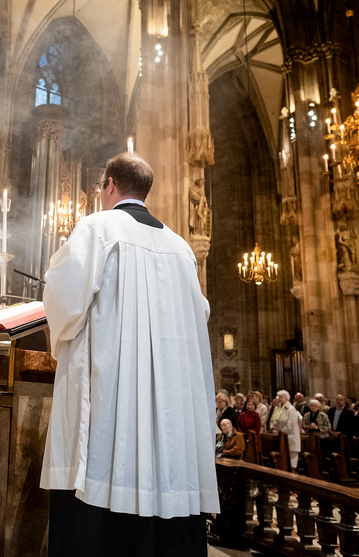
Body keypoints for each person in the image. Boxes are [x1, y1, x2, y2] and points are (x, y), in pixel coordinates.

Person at [40, 152, 218, 556]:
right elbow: (200, 313)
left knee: (101, 462)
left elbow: (63, 300)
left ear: (109, 184)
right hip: (170, 404)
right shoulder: (180, 247)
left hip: (112, 394)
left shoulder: (97, 228)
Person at [269, 390, 302, 469]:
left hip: (290, 438)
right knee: (282, 463)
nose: (279, 399)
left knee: (291, 463)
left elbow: (291, 423)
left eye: (281, 397)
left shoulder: (291, 409)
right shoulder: (277, 408)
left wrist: (281, 432)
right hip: (280, 437)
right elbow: (272, 420)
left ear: (287, 399)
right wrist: (273, 429)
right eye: (279, 397)